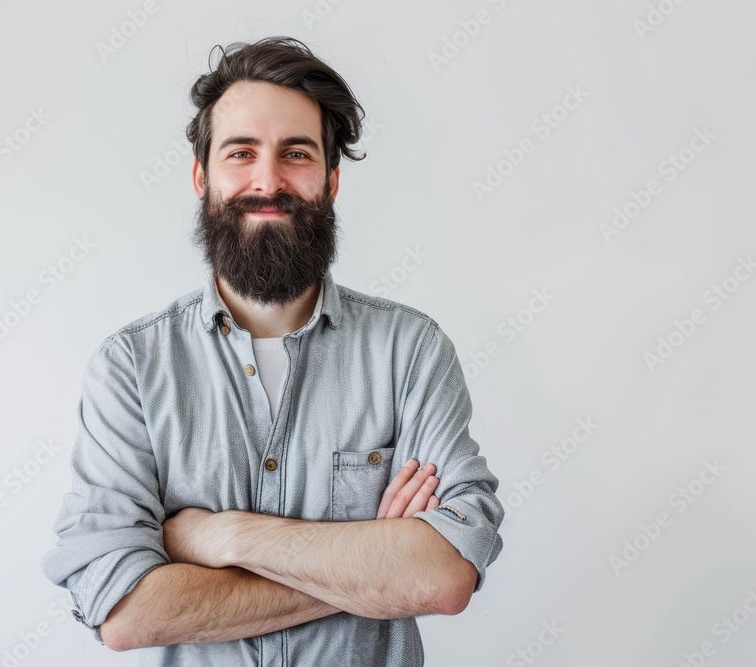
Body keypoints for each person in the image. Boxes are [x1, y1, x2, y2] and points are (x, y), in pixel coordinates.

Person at [42, 36, 504, 665]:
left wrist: (218, 534)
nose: (268, 179)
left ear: (331, 180)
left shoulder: (411, 351)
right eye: (241, 152)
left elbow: (444, 576)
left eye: (296, 153)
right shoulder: (131, 367)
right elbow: (125, 610)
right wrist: (374, 566)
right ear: (202, 175)